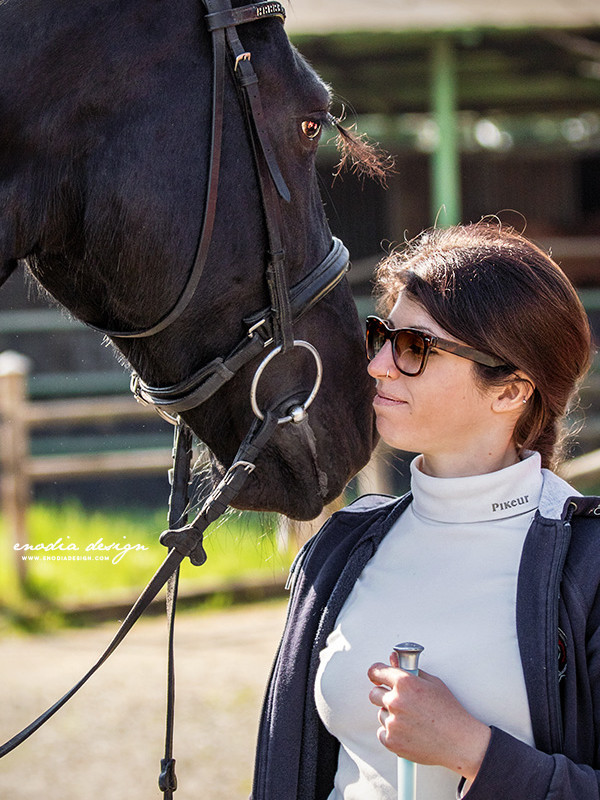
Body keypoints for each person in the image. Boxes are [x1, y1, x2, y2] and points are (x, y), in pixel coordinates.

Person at [251, 221, 600, 800]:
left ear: (511, 390)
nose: (379, 366)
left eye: (416, 349)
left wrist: (472, 750)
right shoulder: (338, 550)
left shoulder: (588, 566)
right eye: (382, 336)